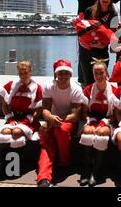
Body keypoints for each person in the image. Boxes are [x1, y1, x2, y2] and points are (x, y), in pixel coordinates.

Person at [48, 0, 121, 84]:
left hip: (102, 42)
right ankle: (84, 84)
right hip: (86, 36)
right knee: (85, 69)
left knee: (100, 73)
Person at [37, 59, 85, 187]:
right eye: (60, 73)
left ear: (70, 74)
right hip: (52, 120)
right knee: (46, 142)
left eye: (66, 73)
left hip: (69, 122)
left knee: (61, 130)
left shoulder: (76, 89)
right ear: (56, 75)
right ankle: (43, 178)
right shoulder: (48, 86)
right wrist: (50, 118)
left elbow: (75, 116)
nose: (63, 76)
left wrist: (55, 120)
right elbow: (45, 109)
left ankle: (64, 163)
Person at [0, 61, 43, 179]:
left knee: (17, 132)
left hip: (29, 119)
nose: (23, 75)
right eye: (21, 73)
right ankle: (6, 165)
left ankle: (16, 166)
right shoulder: (11, 85)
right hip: (14, 118)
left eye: (26, 72)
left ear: (30, 72)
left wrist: (28, 120)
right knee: (5, 133)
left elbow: (38, 109)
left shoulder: (36, 88)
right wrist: (10, 118)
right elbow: (5, 106)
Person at [79, 59, 120, 187]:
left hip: (109, 120)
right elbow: (84, 112)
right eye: (96, 73)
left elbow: (116, 114)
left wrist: (104, 123)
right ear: (93, 75)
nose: (99, 76)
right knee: (87, 132)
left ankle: (97, 172)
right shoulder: (88, 89)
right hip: (92, 119)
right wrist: (90, 121)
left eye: (101, 72)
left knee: (102, 133)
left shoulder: (114, 89)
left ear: (106, 73)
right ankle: (86, 170)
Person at [80, 0, 118, 87]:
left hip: (102, 51)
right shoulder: (89, 11)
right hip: (86, 52)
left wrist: (102, 44)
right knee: (88, 82)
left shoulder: (113, 14)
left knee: (101, 82)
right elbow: (83, 30)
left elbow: (111, 34)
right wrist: (88, 43)